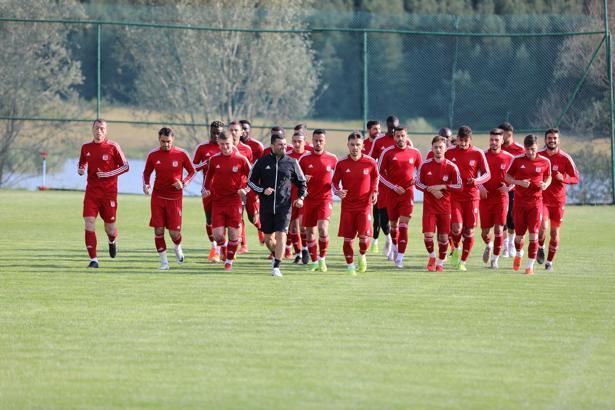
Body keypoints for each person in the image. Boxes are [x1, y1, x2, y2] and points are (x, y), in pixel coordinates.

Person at [248, 127, 307, 277]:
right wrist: (262, 190)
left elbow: (302, 183)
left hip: (284, 206)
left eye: (285, 144)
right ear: (272, 146)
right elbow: (250, 181)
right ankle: (277, 253)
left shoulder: (292, 162)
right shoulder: (262, 162)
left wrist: (300, 198)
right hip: (266, 207)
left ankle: (276, 267)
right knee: (269, 239)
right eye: (280, 145)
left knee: (281, 235)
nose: (284, 147)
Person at [78, 119, 129, 268]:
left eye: (102, 128)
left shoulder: (113, 146)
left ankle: (112, 241)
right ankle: (94, 259)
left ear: (105, 131)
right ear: (92, 129)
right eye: (96, 128)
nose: (99, 131)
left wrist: (108, 174)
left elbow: (125, 166)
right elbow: (82, 162)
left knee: (110, 228)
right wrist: (81, 169)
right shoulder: (86, 147)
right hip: (92, 192)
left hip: (109, 193)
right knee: (89, 222)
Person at [143, 127, 195, 270]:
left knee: (174, 233)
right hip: (158, 197)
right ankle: (164, 263)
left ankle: (177, 247)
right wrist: (146, 185)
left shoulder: (181, 154)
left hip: (175, 198)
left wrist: (183, 183)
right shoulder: (153, 155)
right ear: (158, 140)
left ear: (173, 140)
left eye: (168, 141)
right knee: (158, 230)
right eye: (163, 141)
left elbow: (192, 171)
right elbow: (146, 173)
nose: (165, 144)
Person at [202, 131, 251, 271]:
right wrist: (205, 189)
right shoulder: (214, 159)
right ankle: (223, 248)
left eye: (227, 144)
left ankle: (228, 261)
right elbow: (208, 176)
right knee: (218, 236)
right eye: (222, 144)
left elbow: (252, 179)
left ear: (232, 142)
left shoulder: (241, 159)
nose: (225, 147)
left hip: (235, 201)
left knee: (234, 236)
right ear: (218, 144)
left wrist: (245, 190)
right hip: (218, 201)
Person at [332, 132, 379, 275]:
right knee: (348, 239)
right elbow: (334, 182)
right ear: (348, 145)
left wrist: (375, 191)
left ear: (362, 146)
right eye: (352, 145)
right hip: (347, 206)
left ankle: (362, 255)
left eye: (358, 145)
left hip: (364, 205)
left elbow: (376, 177)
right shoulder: (341, 163)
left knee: (364, 238)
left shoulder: (370, 162)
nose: (355, 147)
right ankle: (350, 265)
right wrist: (338, 191)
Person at [505, 134, 552, 275]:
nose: (530, 152)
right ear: (524, 148)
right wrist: (519, 183)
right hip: (519, 203)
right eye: (528, 149)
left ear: (537, 147)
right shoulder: (517, 160)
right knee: (519, 237)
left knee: (534, 235)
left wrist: (546, 184)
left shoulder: (545, 161)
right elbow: (507, 177)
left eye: (533, 149)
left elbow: (549, 176)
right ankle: (519, 254)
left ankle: (529, 266)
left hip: (536, 204)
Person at [445, 125, 491, 271]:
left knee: (469, 231)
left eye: (466, 140)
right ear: (457, 139)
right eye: (461, 140)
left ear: (470, 139)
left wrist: (477, 181)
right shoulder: (449, 153)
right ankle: (456, 249)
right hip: (455, 196)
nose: (463, 143)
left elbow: (487, 174)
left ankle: (463, 261)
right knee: (457, 228)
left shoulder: (478, 153)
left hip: (472, 197)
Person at [378, 126, 422, 268]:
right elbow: (378, 174)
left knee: (404, 225)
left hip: (407, 194)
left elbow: (422, 170)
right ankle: (395, 248)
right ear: (394, 137)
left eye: (403, 135)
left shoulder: (415, 153)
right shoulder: (387, 152)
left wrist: (416, 179)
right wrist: (393, 187)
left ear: (406, 136)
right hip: (392, 194)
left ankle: (400, 259)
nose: (400, 138)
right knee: (393, 225)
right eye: (398, 136)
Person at [416, 136, 462, 271]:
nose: (438, 150)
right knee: (428, 235)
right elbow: (418, 183)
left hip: (445, 208)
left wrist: (443, 186)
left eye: (441, 147)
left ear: (445, 149)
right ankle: (432, 256)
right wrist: (430, 190)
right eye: (435, 147)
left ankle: (440, 262)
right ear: (432, 148)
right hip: (430, 208)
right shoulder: (425, 165)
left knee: (443, 238)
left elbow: (459, 186)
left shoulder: (452, 167)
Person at [537, 128, 579, 271]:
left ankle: (549, 262)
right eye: (549, 138)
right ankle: (540, 246)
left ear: (558, 140)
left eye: (554, 138)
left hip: (558, 201)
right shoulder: (539, 156)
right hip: (542, 199)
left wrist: (564, 179)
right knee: (542, 227)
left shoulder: (565, 158)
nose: (552, 140)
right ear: (545, 140)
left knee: (554, 233)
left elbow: (576, 178)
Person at [298, 129, 338, 272]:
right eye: (316, 140)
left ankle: (322, 259)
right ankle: (314, 261)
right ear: (312, 140)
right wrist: (303, 180)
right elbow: (296, 179)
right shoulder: (304, 159)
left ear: (324, 141)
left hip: (325, 199)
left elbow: (338, 178)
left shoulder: (333, 159)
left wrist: (338, 190)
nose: (318, 143)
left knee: (322, 228)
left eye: (321, 140)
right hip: (309, 200)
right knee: (309, 232)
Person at [478, 128, 515, 269]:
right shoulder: (482, 155)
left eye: (496, 140)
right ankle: (489, 244)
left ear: (502, 141)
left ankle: (495, 259)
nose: (493, 142)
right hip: (486, 198)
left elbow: (515, 178)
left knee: (499, 230)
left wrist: (509, 188)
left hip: (501, 198)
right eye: (492, 140)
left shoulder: (509, 158)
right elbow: (475, 175)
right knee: (485, 232)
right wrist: (479, 187)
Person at [368, 115, 399, 259]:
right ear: (387, 126)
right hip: (382, 185)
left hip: (398, 187)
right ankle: (388, 239)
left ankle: (395, 248)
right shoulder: (379, 141)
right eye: (391, 127)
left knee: (396, 220)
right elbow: (370, 160)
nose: (393, 130)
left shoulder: (404, 140)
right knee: (382, 219)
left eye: (395, 127)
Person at [193, 120, 223, 262]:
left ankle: (224, 248)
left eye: (219, 133)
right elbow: (194, 168)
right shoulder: (202, 148)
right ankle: (214, 248)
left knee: (226, 221)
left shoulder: (228, 147)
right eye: (214, 133)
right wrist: (207, 162)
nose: (216, 136)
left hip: (225, 191)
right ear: (210, 132)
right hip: (208, 190)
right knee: (210, 220)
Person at [499, 122, 525, 258]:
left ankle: (511, 245)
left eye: (502, 134)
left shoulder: (519, 149)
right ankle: (505, 246)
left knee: (511, 218)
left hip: (514, 188)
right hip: (499, 188)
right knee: (501, 218)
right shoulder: (497, 147)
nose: (499, 137)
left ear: (509, 134)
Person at [239, 120, 266, 246]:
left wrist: (260, 186)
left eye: (245, 128)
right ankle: (243, 245)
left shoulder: (256, 146)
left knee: (252, 217)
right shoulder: (232, 145)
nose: (243, 131)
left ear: (249, 130)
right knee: (238, 216)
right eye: (241, 128)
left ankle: (261, 228)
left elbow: (262, 166)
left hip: (252, 186)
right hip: (237, 186)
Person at [229, 121, 254, 254]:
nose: (233, 133)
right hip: (225, 190)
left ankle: (241, 243)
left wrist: (246, 188)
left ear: (241, 132)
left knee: (243, 217)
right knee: (229, 219)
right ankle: (235, 245)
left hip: (241, 189)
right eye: (231, 130)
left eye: (236, 130)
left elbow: (249, 172)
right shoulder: (222, 147)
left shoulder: (247, 149)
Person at [285, 131, 310, 263]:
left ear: (304, 142)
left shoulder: (308, 156)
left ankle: (305, 249)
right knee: (292, 227)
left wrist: (307, 179)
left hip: (304, 196)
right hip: (289, 195)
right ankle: (298, 253)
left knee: (303, 226)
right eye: (294, 141)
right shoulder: (286, 156)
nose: (296, 144)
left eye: (299, 141)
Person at [362, 120, 382, 254]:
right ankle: (370, 239)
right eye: (375, 129)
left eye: (379, 129)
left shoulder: (381, 144)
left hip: (379, 183)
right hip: (366, 185)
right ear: (369, 130)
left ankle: (376, 239)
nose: (378, 132)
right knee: (369, 213)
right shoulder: (362, 145)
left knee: (380, 213)